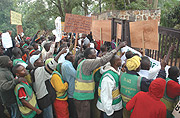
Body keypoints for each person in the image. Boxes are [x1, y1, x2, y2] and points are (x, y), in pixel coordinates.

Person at [73, 41, 127, 118]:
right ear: (89, 55)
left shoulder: (84, 61)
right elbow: (102, 60)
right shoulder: (87, 63)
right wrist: (118, 48)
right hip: (82, 98)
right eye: (94, 52)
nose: (97, 53)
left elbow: (103, 61)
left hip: (83, 97)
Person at [30, 47, 67, 118]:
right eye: (39, 60)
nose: (41, 60)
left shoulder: (34, 71)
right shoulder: (38, 70)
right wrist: (60, 53)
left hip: (43, 98)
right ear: (35, 63)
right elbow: (51, 66)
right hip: (44, 99)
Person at [61, 52, 78, 118]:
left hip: (69, 86)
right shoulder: (67, 65)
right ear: (67, 56)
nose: (72, 56)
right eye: (70, 55)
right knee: (73, 108)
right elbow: (76, 74)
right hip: (71, 88)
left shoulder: (66, 63)